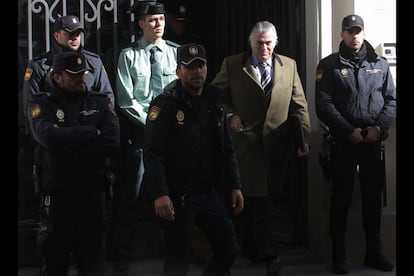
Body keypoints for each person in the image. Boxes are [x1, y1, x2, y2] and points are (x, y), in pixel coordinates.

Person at [211, 20, 311, 276]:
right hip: (244, 144)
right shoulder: (233, 64)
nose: (263, 48)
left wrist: (303, 138)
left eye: (268, 43)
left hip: (276, 145)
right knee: (254, 199)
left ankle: (253, 249)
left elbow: (299, 105)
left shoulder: (288, 66)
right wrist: (231, 114)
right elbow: (215, 97)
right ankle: (268, 254)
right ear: (251, 43)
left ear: (275, 44)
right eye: (259, 43)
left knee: (262, 199)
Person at [143, 42, 244, 276]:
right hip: (179, 196)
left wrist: (235, 185)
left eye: (201, 66)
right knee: (177, 262)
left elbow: (225, 147)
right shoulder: (165, 104)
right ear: (178, 71)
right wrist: (160, 193)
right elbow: (153, 153)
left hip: (209, 192)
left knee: (227, 250)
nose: (197, 72)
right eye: (190, 67)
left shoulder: (214, 99)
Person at [314, 14, 396, 274]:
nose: (354, 35)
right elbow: (323, 105)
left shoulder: (380, 65)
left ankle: (374, 252)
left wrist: (378, 128)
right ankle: (339, 255)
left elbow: (392, 100)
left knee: (372, 198)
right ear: (342, 34)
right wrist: (348, 131)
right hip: (343, 143)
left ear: (363, 32)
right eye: (349, 31)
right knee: (340, 199)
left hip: (372, 143)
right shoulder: (328, 66)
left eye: (358, 30)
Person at [26, 51, 120, 276]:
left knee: (93, 261)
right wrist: (90, 132)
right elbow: (48, 137)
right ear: (57, 77)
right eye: (74, 75)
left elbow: (111, 141)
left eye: (83, 74)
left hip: (92, 191)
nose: (81, 79)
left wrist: (69, 142)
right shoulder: (42, 104)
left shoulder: (99, 102)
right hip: (60, 193)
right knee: (55, 260)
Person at [110, 1, 179, 272]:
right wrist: (153, 126)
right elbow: (127, 102)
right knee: (133, 194)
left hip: (173, 136)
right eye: (152, 20)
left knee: (174, 191)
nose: (158, 24)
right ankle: (121, 254)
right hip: (142, 136)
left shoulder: (175, 53)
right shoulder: (128, 56)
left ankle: (175, 250)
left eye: (161, 19)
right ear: (141, 23)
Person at [22, 14, 114, 112]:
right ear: (57, 36)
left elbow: (107, 98)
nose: (75, 38)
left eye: (78, 33)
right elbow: (31, 105)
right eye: (70, 33)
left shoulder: (94, 62)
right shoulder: (39, 66)